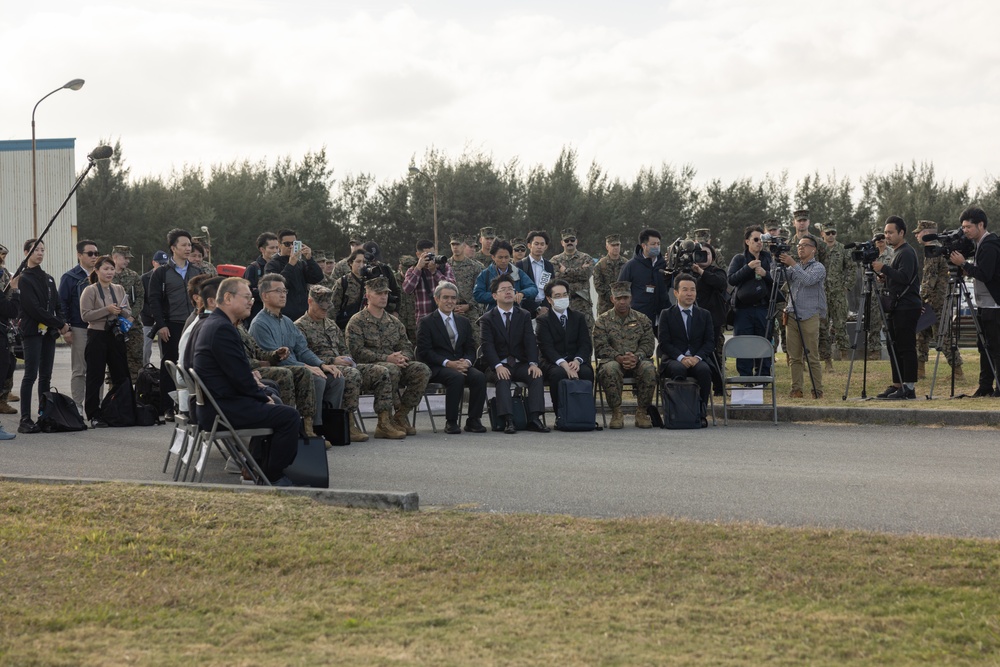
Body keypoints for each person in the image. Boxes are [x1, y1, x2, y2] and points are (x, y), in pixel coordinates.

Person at [193, 278, 299, 486]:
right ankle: (273, 477)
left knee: (274, 399)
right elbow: (240, 377)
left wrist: (262, 393)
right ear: (228, 298)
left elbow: (237, 373)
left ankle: (255, 468)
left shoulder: (217, 323)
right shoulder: (222, 328)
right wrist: (262, 396)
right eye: (247, 297)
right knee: (289, 417)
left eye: (251, 297)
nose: (251, 301)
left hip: (218, 404)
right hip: (221, 410)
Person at [296, 285, 402, 442]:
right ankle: (348, 421)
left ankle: (384, 422)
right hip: (322, 368)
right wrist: (332, 361)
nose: (325, 310)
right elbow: (302, 355)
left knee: (381, 371)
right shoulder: (299, 326)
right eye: (322, 307)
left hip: (344, 365)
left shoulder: (331, 324)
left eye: (328, 307)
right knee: (352, 374)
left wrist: (346, 358)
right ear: (310, 302)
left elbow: (344, 348)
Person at [248, 273, 346, 439]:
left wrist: (322, 365)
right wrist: (307, 367)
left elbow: (303, 350)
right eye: (278, 291)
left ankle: (331, 428)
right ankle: (313, 427)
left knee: (336, 377)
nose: (283, 294)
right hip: (278, 369)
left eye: (285, 291)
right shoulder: (260, 324)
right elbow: (276, 358)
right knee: (316, 378)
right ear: (264, 296)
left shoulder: (286, 321)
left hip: (296, 367)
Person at [345, 277, 431, 437]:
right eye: (379, 293)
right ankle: (384, 422)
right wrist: (387, 358)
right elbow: (356, 352)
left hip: (394, 364)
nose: (384, 297)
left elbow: (406, 346)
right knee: (389, 369)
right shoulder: (357, 321)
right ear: (368, 296)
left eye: (385, 293)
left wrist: (402, 358)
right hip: (366, 369)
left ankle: (400, 415)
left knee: (422, 370)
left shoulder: (394, 321)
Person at [478, 274, 549, 434]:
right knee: (503, 378)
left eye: (510, 288)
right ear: (495, 295)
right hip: (497, 364)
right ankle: (508, 419)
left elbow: (530, 341)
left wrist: (533, 363)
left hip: (520, 363)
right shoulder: (487, 319)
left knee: (536, 375)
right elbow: (487, 346)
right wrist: (497, 366)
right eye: (503, 289)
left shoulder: (523, 314)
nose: (508, 292)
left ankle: (534, 418)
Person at [415, 281, 488, 434]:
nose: (450, 301)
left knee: (479, 377)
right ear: (437, 299)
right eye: (446, 297)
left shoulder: (464, 321)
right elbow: (424, 351)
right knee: (456, 378)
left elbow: (470, 347)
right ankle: (451, 421)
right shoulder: (426, 322)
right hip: (438, 366)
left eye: (453, 298)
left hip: (461, 364)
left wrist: (467, 362)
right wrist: (448, 363)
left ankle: (473, 420)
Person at [16, 239, 72, 434]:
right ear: (26, 253)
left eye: (42, 250)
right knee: (30, 374)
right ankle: (25, 418)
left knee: (46, 376)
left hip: (49, 333)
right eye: (35, 250)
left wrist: (62, 324)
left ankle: (44, 414)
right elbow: (34, 309)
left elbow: (57, 305)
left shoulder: (48, 279)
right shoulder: (24, 278)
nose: (40, 253)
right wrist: (60, 324)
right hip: (32, 332)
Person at [148, 229, 203, 418]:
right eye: (184, 245)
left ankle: (190, 406)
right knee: (169, 366)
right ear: (173, 248)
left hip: (194, 324)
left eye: (189, 245)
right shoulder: (161, 273)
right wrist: (161, 325)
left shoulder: (197, 271)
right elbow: (154, 300)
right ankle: (168, 407)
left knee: (193, 365)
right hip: (171, 325)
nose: (188, 248)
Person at [592, 281, 657, 429]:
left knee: (648, 368)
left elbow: (648, 345)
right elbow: (600, 346)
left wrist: (637, 357)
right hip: (612, 361)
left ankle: (642, 412)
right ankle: (616, 413)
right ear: (612, 299)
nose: (622, 301)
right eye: (618, 298)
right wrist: (618, 357)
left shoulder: (642, 319)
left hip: (637, 361)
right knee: (611, 369)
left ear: (631, 298)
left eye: (625, 297)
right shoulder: (603, 320)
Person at [950, 206, 1000, 397]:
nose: (965, 231)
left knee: (995, 349)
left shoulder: (989, 245)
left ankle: (997, 388)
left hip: (994, 306)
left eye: (968, 227)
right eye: (963, 227)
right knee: (984, 347)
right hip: (984, 305)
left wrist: (964, 264)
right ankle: (985, 386)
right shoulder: (980, 245)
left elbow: (985, 275)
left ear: (981, 225)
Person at [871, 216, 921, 400]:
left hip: (907, 307)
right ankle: (897, 384)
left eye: (891, 232)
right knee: (894, 347)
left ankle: (909, 387)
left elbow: (905, 277)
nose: (887, 236)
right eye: (885, 232)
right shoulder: (897, 252)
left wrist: (884, 268)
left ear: (902, 233)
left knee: (906, 347)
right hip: (896, 306)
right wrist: (886, 277)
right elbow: (897, 277)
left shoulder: (907, 252)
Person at [79, 256, 132, 428]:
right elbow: (85, 315)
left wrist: (122, 312)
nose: (109, 272)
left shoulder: (119, 289)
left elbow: (128, 311)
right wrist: (106, 310)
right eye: (105, 269)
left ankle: (119, 410)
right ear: (97, 270)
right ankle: (94, 414)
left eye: (111, 269)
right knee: (95, 376)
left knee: (121, 374)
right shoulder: (90, 290)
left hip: (115, 335)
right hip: (97, 335)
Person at [657, 273, 715, 420]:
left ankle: (701, 410)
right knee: (678, 368)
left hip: (697, 358)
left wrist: (697, 357)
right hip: (674, 359)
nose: (689, 293)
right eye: (685, 289)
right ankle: (678, 411)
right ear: (676, 293)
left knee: (704, 370)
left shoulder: (705, 314)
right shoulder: (666, 314)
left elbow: (709, 342)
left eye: (693, 290)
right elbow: (664, 343)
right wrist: (681, 358)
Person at [777, 234, 827, 399]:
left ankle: (817, 390)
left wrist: (792, 264)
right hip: (792, 315)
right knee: (794, 357)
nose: (800, 247)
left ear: (813, 249)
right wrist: (775, 259)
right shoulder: (793, 266)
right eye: (799, 245)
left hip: (809, 315)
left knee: (812, 356)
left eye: (805, 245)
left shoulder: (818, 267)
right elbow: (777, 278)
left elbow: (808, 280)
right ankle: (796, 389)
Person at [535, 279, 594, 416]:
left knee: (586, 372)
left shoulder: (578, 317)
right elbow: (546, 347)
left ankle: (585, 414)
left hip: (575, 360)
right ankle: (561, 414)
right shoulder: (543, 321)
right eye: (557, 296)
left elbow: (585, 343)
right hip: (553, 361)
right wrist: (564, 365)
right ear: (549, 299)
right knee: (559, 374)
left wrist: (577, 361)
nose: (562, 298)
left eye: (565, 294)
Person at [915, 220, 963, 380]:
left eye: (919, 232)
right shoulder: (932, 249)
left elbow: (930, 279)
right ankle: (919, 369)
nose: (916, 235)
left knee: (943, 336)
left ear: (927, 232)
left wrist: (921, 300)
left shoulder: (934, 251)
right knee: (921, 335)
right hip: (932, 301)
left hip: (936, 301)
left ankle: (957, 372)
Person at [58, 239, 100, 412]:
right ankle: (77, 406)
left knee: (97, 369)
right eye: (90, 254)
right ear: (79, 255)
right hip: (79, 327)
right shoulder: (70, 277)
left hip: (99, 329)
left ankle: (96, 405)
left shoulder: (101, 275)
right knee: (80, 369)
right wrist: (65, 328)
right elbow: (62, 304)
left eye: (96, 254)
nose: (94, 257)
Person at [728, 226, 775, 377]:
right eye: (755, 239)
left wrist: (765, 273)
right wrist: (748, 268)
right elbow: (731, 279)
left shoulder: (768, 258)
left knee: (764, 343)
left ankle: (763, 377)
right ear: (747, 241)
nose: (759, 243)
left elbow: (777, 281)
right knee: (743, 344)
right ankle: (745, 378)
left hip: (763, 308)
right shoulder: (739, 259)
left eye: (761, 239)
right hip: (743, 310)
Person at [264, 229, 324, 321]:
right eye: (287, 244)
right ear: (279, 245)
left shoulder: (300, 263)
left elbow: (317, 278)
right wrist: (291, 264)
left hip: (303, 315)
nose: (291, 247)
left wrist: (309, 259)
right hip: (283, 316)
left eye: (294, 244)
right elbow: (278, 286)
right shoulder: (272, 264)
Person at [618, 228, 669, 330]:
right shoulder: (631, 266)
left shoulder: (665, 265)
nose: (657, 247)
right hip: (638, 319)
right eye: (653, 244)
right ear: (644, 245)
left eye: (658, 244)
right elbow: (620, 291)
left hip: (662, 317)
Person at [819, 225, 855, 370]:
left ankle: (844, 355)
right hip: (822, 293)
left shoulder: (843, 249)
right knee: (823, 326)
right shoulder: (820, 249)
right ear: (822, 234)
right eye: (828, 233)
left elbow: (851, 268)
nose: (831, 235)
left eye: (833, 233)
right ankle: (826, 358)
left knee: (841, 324)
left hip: (838, 293)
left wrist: (847, 285)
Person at [111, 245, 145, 383]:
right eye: (125, 258)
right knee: (114, 362)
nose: (127, 261)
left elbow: (140, 298)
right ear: (115, 257)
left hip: (133, 325)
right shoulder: (107, 274)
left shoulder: (133, 276)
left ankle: (136, 396)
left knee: (135, 360)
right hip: (112, 325)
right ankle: (115, 396)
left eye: (128, 258)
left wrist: (132, 316)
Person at [473, 240, 538, 312]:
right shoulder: (485, 274)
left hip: (515, 313)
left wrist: (522, 293)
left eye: (506, 257)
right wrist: (498, 296)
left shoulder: (517, 272)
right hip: (493, 314)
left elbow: (533, 288)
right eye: (500, 257)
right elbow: (478, 294)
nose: (503, 261)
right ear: (493, 257)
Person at [550, 228, 595, 331]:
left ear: (576, 241)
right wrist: (579, 271)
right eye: (566, 241)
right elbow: (557, 279)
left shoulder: (586, 258)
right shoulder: (555, 260)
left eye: (572, 240)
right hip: (563, 304)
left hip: (583, 305)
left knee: (586, 335)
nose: (569, 242)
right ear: (562, 243)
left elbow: (586, 274)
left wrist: (565, 271)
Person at [403, 239, 456, 325]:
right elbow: (407, 289)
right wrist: (418, 268)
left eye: (432, 254)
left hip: (444, 318)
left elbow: (452, 286)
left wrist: (435, 272)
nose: (430, 258)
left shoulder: (443, 267)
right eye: (427, 255)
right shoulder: (412, 270)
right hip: (423, 318)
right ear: (418, 255)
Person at [446, 232, 485, 345]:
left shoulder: (476, 267)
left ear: (464, 245)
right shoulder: (445, 266)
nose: (455, 247)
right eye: (453, 244)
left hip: (470, 310)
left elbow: (479, 291)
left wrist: (469, 305)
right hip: (449, 309)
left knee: (477, 341)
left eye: (458, 244)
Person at [0, 243, 20, 416]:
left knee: (9, 361)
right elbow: (10, 306)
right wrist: (15, 291)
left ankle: (4, 395)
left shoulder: (6, 274)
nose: (2, 258)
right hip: (4, 316)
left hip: (6, 324)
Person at [140, 250, 168, 366]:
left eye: (164, 264)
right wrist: (153, 313)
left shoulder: (168, 277)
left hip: (164, 319)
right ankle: (145, 370)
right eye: (160, 263)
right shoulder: (144, 278)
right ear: (153, 263)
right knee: (146, 348)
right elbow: (142, 299)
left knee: (164, 349)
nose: (162, 266)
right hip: (148, 319)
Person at [242, 231, 279, 321]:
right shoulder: (253, 268)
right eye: (272, 248)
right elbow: (247, 292)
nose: (275, 251)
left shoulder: (281, 267)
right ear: (262, 249)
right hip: (256, 316)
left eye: (277, 248)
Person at [516, 230, 554, 318]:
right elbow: (519, 289)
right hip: (526, 310)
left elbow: (551, 288)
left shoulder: (549, 266)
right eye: (536, 244)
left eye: (542, 244)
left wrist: (545, 307)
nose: (539, 247)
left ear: (546, 246)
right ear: (529, 245)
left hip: (546, 310)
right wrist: (537, 308)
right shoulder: (521, 265)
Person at [330, 248, 368, 330]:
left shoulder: (370, 283)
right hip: (345, 329)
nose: (361, 265)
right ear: (351, 263)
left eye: (364, 262)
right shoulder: (343, 282)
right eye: (358, 261)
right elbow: (332, 310)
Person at [593, 233, 626, 316]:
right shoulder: (600, 265)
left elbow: (630, 282)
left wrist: (621, 297)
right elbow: (598, 286)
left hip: (623, 305)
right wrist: (614, 297)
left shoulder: (626, 264)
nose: (616, 247)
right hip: (605, 307)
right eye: (613, 245)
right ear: (607, 247)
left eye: (617, 245)